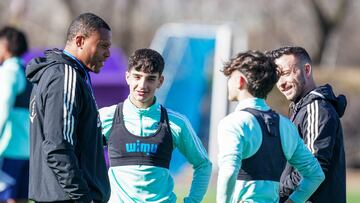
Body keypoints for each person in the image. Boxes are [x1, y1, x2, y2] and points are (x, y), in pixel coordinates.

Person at [99, 48, 212, 203]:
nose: (142, 85)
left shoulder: (176, 123)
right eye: (137, 77)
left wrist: (192, 200)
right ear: (127, 77)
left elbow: (203, 164)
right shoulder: (106, 117)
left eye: (150, 79)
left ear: (160, 81)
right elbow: (80, 153)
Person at [216, 50, 325, 203]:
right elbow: (316, 175)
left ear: (240, 81)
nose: (228, 82)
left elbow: (228, 172)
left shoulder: (233, 123)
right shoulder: (286, 126)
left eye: (230, 77)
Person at [25, 13, 111, 202]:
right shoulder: (65, 76)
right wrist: (83, 197)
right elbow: (57, 146)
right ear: (80, 40)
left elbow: (72, 136)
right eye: (103, 45)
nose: (108, 53)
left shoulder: (66, 74)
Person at [269, 46, 347, 203]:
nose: (281, 83)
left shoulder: (316, 109)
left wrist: (276, 195)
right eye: (277, 77)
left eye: (285, 73)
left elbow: (312, 168)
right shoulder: (302, 109)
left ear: (306, 69)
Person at [0, 26, 31, 203]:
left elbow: (2, 107)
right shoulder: (29, 74)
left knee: (7, 198)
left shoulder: (8, 72)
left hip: (9, 148)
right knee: (20, 199)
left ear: (5, 46)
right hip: (28, 151)